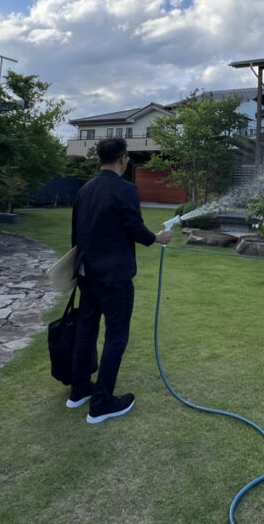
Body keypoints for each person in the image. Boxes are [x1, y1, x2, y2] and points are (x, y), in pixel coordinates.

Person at [68, 137, 172, 424]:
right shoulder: (125, 189)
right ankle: (101, 403)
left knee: (86, 330)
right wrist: (158, 238)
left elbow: (76, 235)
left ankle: (79, 391)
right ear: (123, 159)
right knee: (116, 336)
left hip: (87, 274)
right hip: (114, 278)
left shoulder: (84, 189)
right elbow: (135, 228)